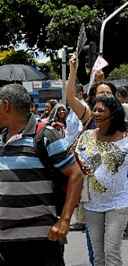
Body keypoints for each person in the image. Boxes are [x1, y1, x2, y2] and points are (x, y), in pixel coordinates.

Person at [0, 83, 83, 265]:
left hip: (41, 241)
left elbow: (76, 174)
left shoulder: (45, 135)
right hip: (4, 243)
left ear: (6, 106)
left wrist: (64, 221)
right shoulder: (1, 138)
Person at [74, 95, 128, 266]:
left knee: (111, 253)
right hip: (91, 205)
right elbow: (76, 166)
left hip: (118, 204)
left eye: (101, 110)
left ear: (113, 114)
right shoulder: (86, 136)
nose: (96, 113)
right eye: (95, 109)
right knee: (98, 257)